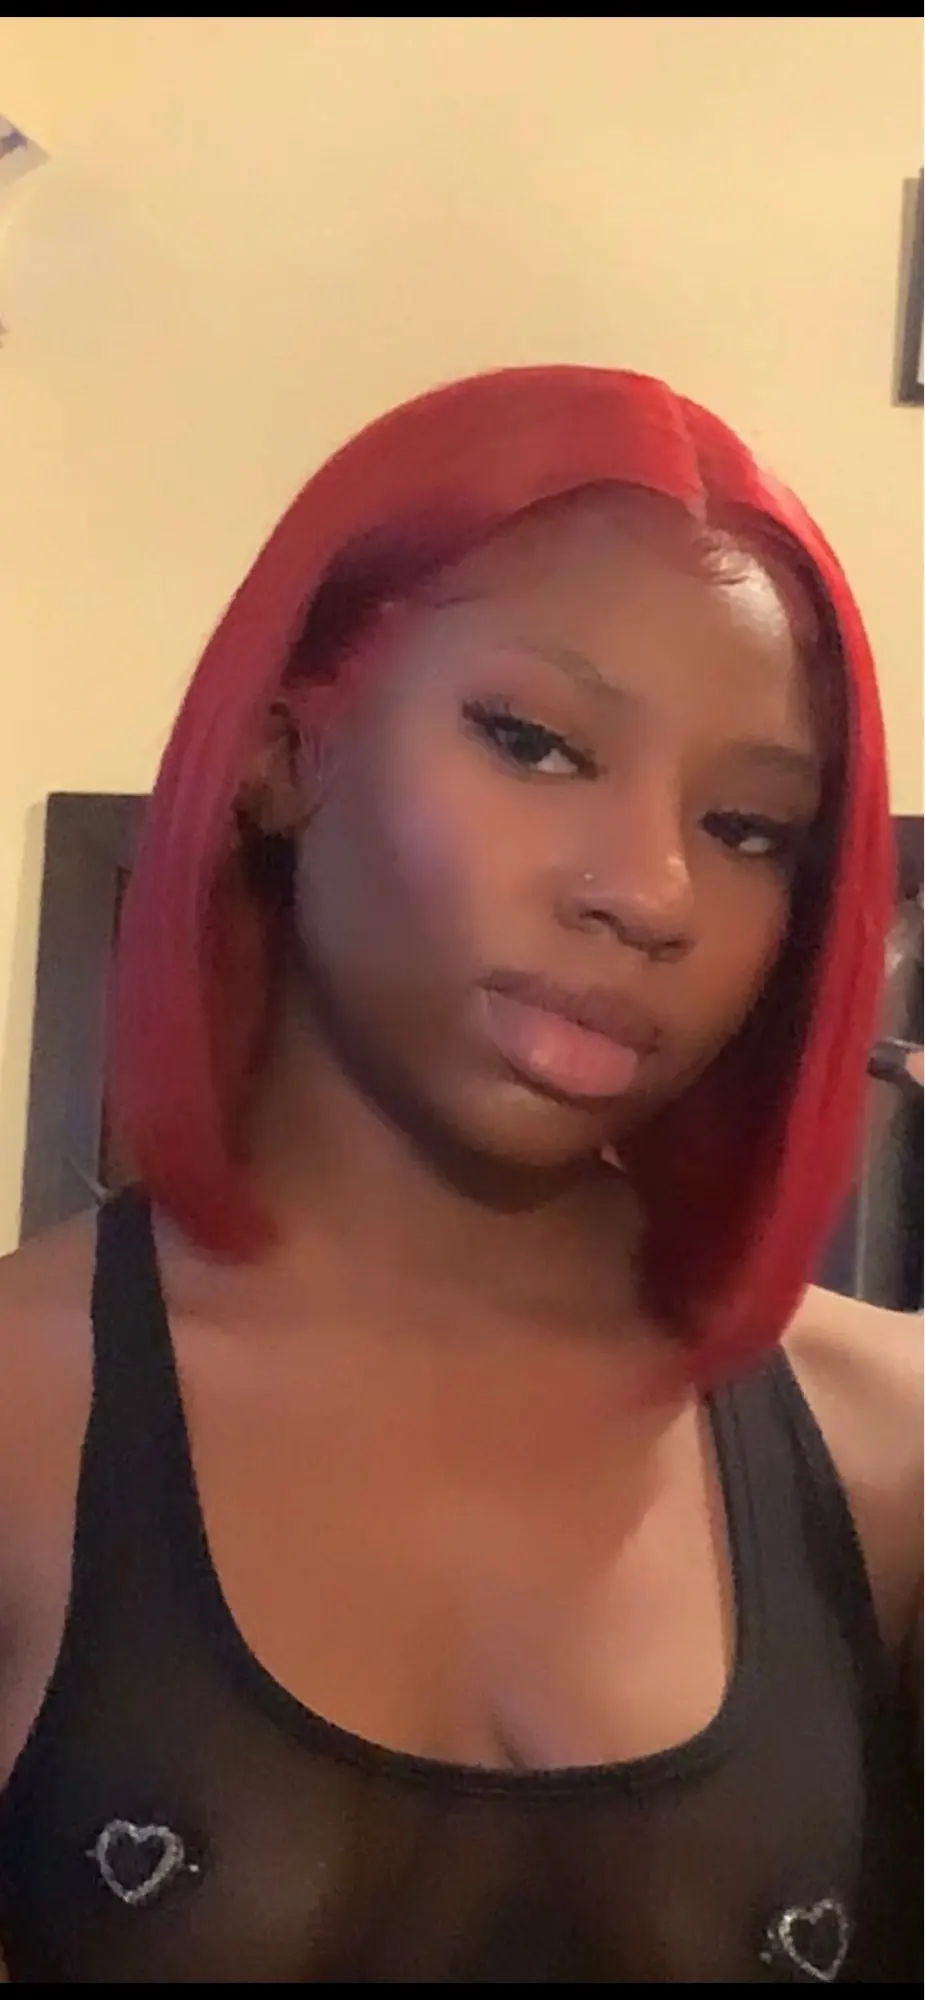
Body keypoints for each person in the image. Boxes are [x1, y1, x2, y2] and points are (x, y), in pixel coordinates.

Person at [0, 367, 920, 1984]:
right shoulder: (24, 1415)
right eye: (536, 743)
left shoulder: (890, 1453)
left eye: (749, 828)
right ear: (285, 754)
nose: (651, 891)